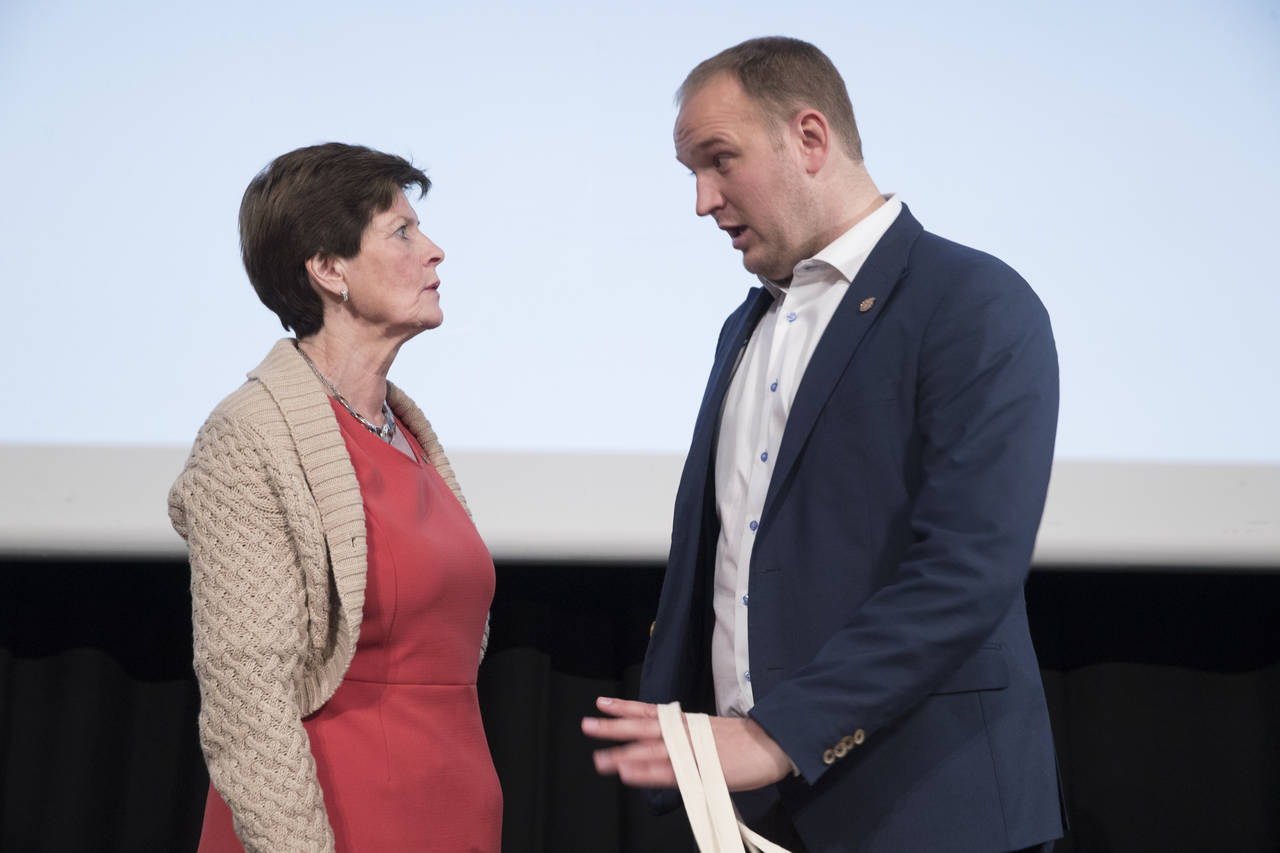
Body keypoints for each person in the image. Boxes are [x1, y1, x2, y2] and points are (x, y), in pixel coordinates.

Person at [583, 37, 1064, 853]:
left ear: (810, 138)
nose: (703, 200)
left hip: (930, 815)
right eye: (692, 172)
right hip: (756, 820)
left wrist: (776, 736)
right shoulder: (746, 325)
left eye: (720, 160)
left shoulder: (974, 302)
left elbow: (966, 570)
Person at [168, 143, 501, 852]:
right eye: (403, 232)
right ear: (328, 269)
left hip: (451, 816)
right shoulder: (250, 435)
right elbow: (245, 705)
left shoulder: (409, 432)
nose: (434, 251)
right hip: (327, 824)